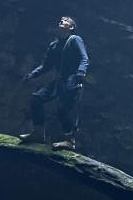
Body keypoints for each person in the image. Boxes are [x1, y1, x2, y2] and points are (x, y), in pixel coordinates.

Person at [20, 16, 89, 150]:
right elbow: (46, 65)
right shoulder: (54, 45)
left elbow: (84, 57)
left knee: (63, 110)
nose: (62, 21)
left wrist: (81, 72)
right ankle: (38, 133)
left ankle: (70, 141)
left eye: (66, 21)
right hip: (59, 81)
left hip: (72, 80)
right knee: (36, 99)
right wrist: (33, 74)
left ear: (71, 27)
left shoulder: (75, 39)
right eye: (61, 20)